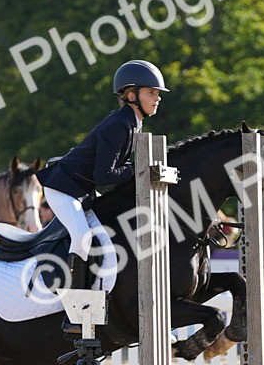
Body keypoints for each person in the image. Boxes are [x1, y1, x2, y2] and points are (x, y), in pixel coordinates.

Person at [34, 59, 167, 300]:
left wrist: (135, 170)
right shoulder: (119, 125)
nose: (157, 98)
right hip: (63, 188)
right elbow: (104, 175)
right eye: (151, 92)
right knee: (82, 238)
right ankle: (72, 302)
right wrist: (140, 170)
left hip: (81, 189)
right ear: (131, 95)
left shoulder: (131, 124)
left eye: (157, 93)